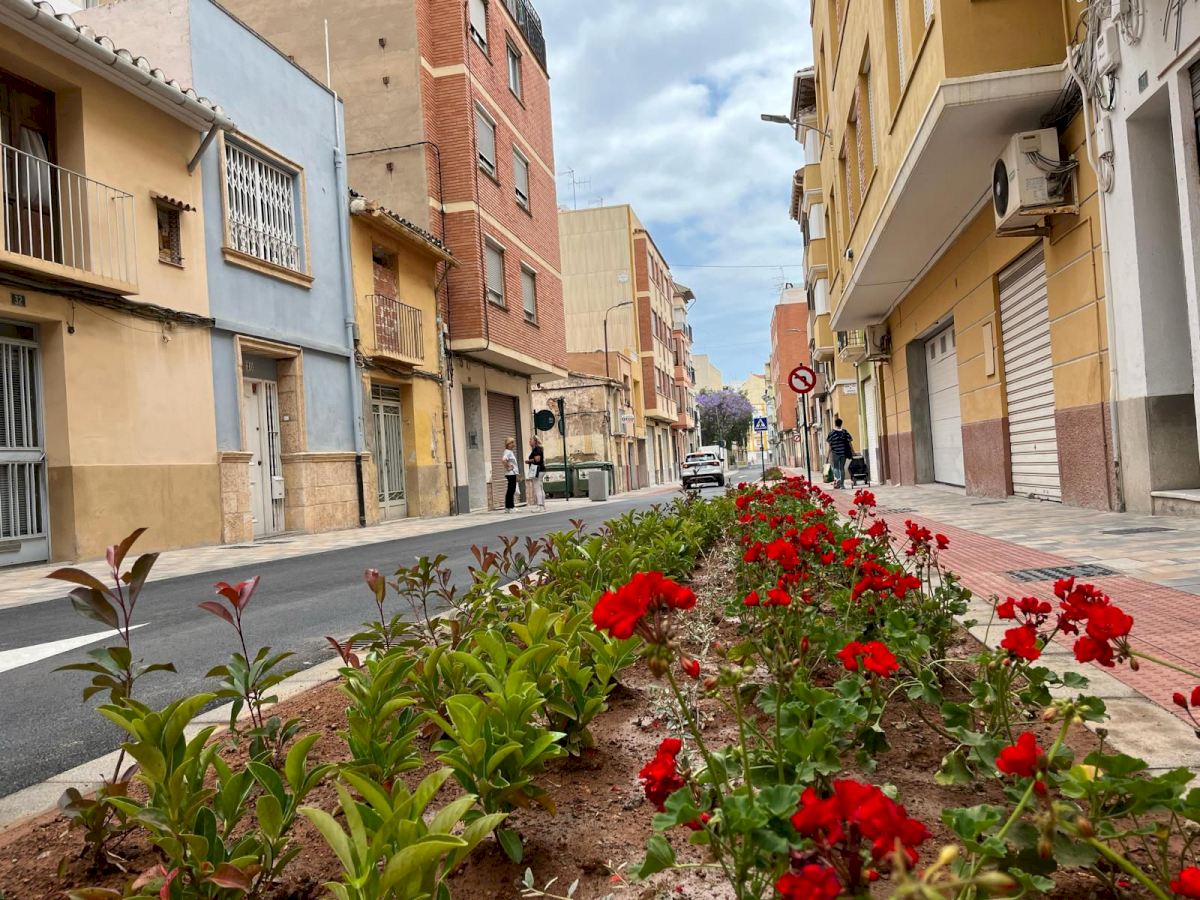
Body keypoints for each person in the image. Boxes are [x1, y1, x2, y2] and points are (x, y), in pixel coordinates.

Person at [826, 417, 854, 489]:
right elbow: (850, 442)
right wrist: (853, 451)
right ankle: (842, 485)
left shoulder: (831, 433)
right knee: (842, 468)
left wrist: (827, 455)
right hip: (843, 452)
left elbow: (830, 445)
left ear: (835, 424)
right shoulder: (845, 432)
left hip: (835, 452)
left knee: (836, 467)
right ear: (841, 424)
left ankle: (838, 479)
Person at [526, 436, 546, 510]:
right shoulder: (538, 449)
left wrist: (529, 461)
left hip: (538, 470)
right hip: (541, 470)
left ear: (535, 441)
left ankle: (540, 506)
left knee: (537, 488)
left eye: (530, 440)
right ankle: (543, 506)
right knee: (540, 488)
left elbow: (537, 459)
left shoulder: (537, 449)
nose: (529, 441)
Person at [502, 438, 519, 512]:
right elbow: (503, 460)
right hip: (511, 473)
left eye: (513, 442)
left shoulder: (509, 452)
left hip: (512, 473)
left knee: (510, 490)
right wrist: (508, 467)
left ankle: (508, 507)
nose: (513, 444)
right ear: (508, 444)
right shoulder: (508, 452)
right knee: (511, 490)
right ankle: (511, 507)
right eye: (511, 443)